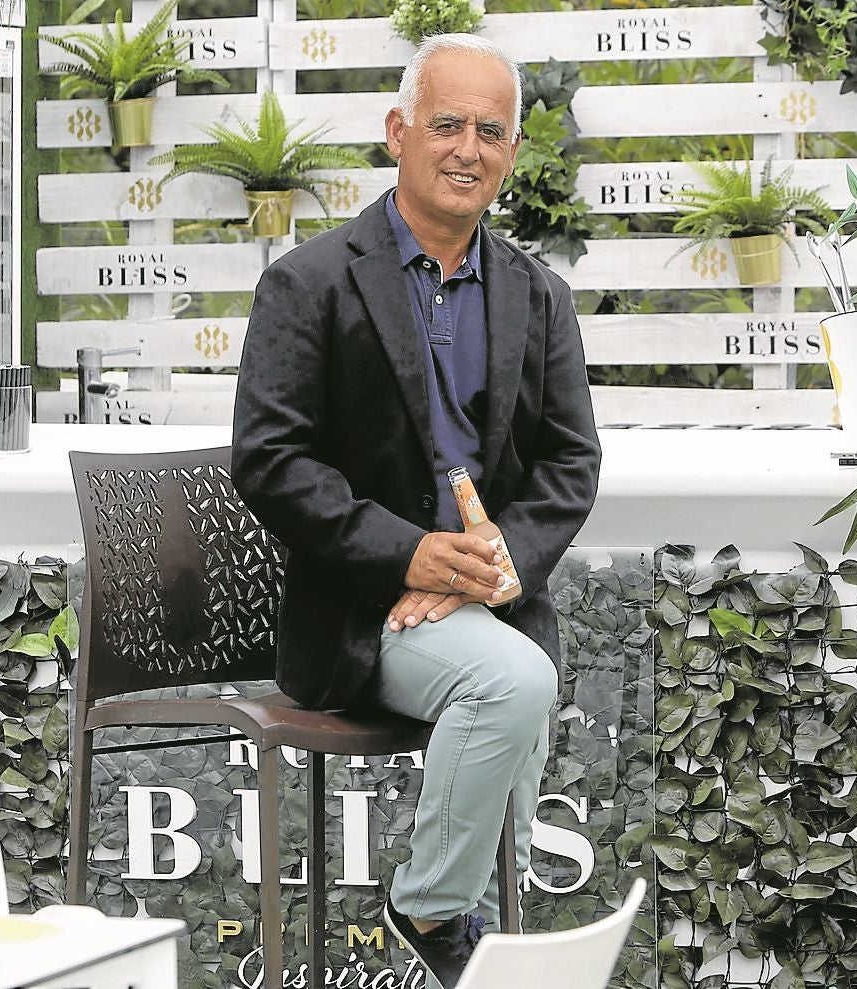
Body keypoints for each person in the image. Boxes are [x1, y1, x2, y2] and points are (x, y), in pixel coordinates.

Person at [231, 33, 601, 989]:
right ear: (397, 132)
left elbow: (570, 461)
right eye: (446, 125)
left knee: (516, 672)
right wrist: (409, 555)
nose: (468, 149)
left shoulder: (540, 295)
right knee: (513, 685)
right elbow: (270, 461)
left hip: (489, 603)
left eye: (491, 131)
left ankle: (468, 936)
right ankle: (434, 908)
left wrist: (499, 563)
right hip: (359, 611)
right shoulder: (307, 283)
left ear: (512, 150)